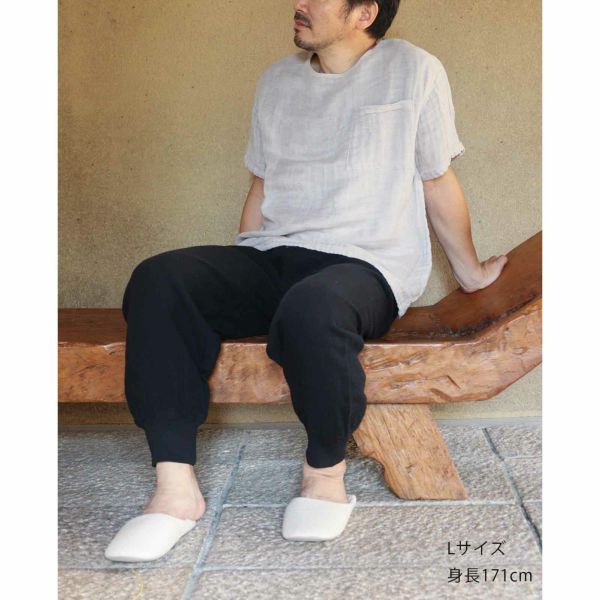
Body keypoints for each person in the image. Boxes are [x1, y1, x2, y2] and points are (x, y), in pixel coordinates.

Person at [105, 0, 508, 561]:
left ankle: (324, 473)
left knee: (313, 308)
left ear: (364, 12)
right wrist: (235, 277)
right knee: (160, 278)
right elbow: (262, 186)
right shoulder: (277, 80)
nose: (299, 3)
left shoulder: (413, 69)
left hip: (366, 263)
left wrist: (470, 270)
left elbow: (436, 178)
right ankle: (175, 490)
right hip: (275, 252)